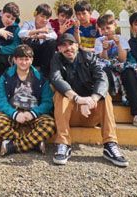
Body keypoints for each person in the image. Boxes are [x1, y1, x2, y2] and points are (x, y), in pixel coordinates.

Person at [50, 33, 128, 167]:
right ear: (59, 49)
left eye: (71, 44)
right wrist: (78, 99)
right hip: (71, 114)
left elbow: (102, 78)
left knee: (105, 96)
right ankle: (63, 143)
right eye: (64, 45)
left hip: (91, 112)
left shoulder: (88, 56)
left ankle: (110, 144)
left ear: (77, 45)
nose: (68, 48)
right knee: (59, 94)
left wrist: (92, 99)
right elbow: (57, 79)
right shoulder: (57, 58)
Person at [0, 44, 56, 157]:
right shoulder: (6, 76)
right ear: (15, 60)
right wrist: (14, 114)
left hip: (34, 113)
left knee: (50, 124)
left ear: (31, 60)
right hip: (12, 112)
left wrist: (33, 113)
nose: (24, 62)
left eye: (27, 59)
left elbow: (47, 102)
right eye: (20, 59)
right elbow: (0, 99)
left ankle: (12, 146)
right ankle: (34, 142)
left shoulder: (40, 78)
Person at [93, 13, 128, 99]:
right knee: (103, 68)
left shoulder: (121, 38)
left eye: (108, 28)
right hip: (106, 65)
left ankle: (123, 93)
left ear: (115, 25)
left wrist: (118, 44)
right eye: (103, 29)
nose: (106, 31)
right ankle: (111, 90)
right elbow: (103, 59)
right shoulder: (99, 40)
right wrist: (104, 49)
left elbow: (122, 59)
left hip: (118, 64)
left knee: (126, 69)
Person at [18, 3, 58, 77]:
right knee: (28, 41)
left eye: (47, 18)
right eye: (42, 16)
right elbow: (21, 34)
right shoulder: (28, 24)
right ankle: (28, 71)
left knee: (52, 42)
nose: (44, 20)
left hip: (43, 56)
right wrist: (39, 31)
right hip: (30, 54)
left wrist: (41, 36)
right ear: (35, 14)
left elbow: (54, 36)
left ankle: (45, 74)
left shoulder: (48, 25)